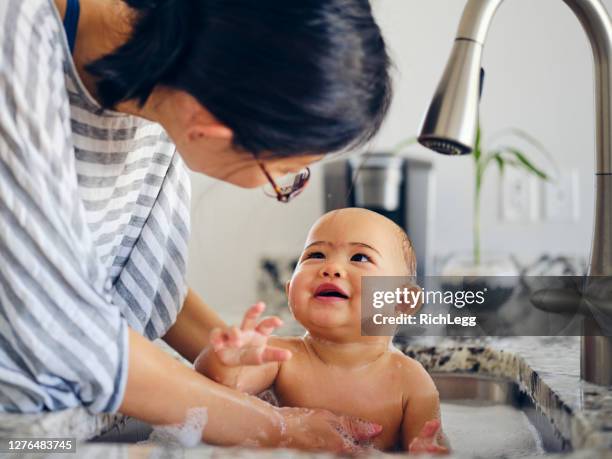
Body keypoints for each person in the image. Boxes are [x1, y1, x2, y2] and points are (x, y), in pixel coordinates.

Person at [0, 0, 393, 451]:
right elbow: (68, 330)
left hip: (82, 420)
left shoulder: (168, 77)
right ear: (206, 127)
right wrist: (275, 427)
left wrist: (278, 380)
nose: (283, 185)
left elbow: (146, 282)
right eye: (286, 175)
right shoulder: (15, 40)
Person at [195, 208, 450, 453]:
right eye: (315, 255)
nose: (331, 268)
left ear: (402, 301)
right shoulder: (281, 357)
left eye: (360, 257)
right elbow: (217, 387)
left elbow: (431, 443)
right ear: (289, 290)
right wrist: (225, 358)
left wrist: (428, 451)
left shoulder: (411, 381)